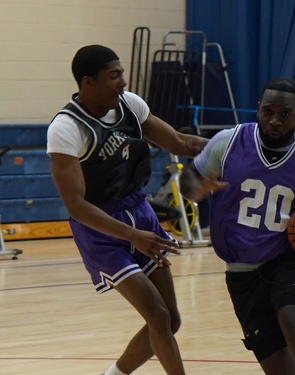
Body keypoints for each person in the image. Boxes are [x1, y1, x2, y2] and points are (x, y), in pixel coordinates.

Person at [180, 77, 295, 375]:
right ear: (258, 110)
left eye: (284, 113)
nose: (274, 120)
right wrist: (194, 187)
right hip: (241, 274)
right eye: (268, 111)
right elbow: (189, 178)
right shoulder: (227, 142)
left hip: (289, 262)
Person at [47, 44, 208, 375]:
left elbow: (179, 142)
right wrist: (134, 235)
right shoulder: (65, 129)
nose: (122, 81)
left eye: (122, 73)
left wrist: (238, 144)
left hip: (139, 210)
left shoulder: (131, 105)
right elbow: (76, 205)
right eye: (114, 75)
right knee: (158, 315)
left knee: (171, 319)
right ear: (88, 82)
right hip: (100, 227)